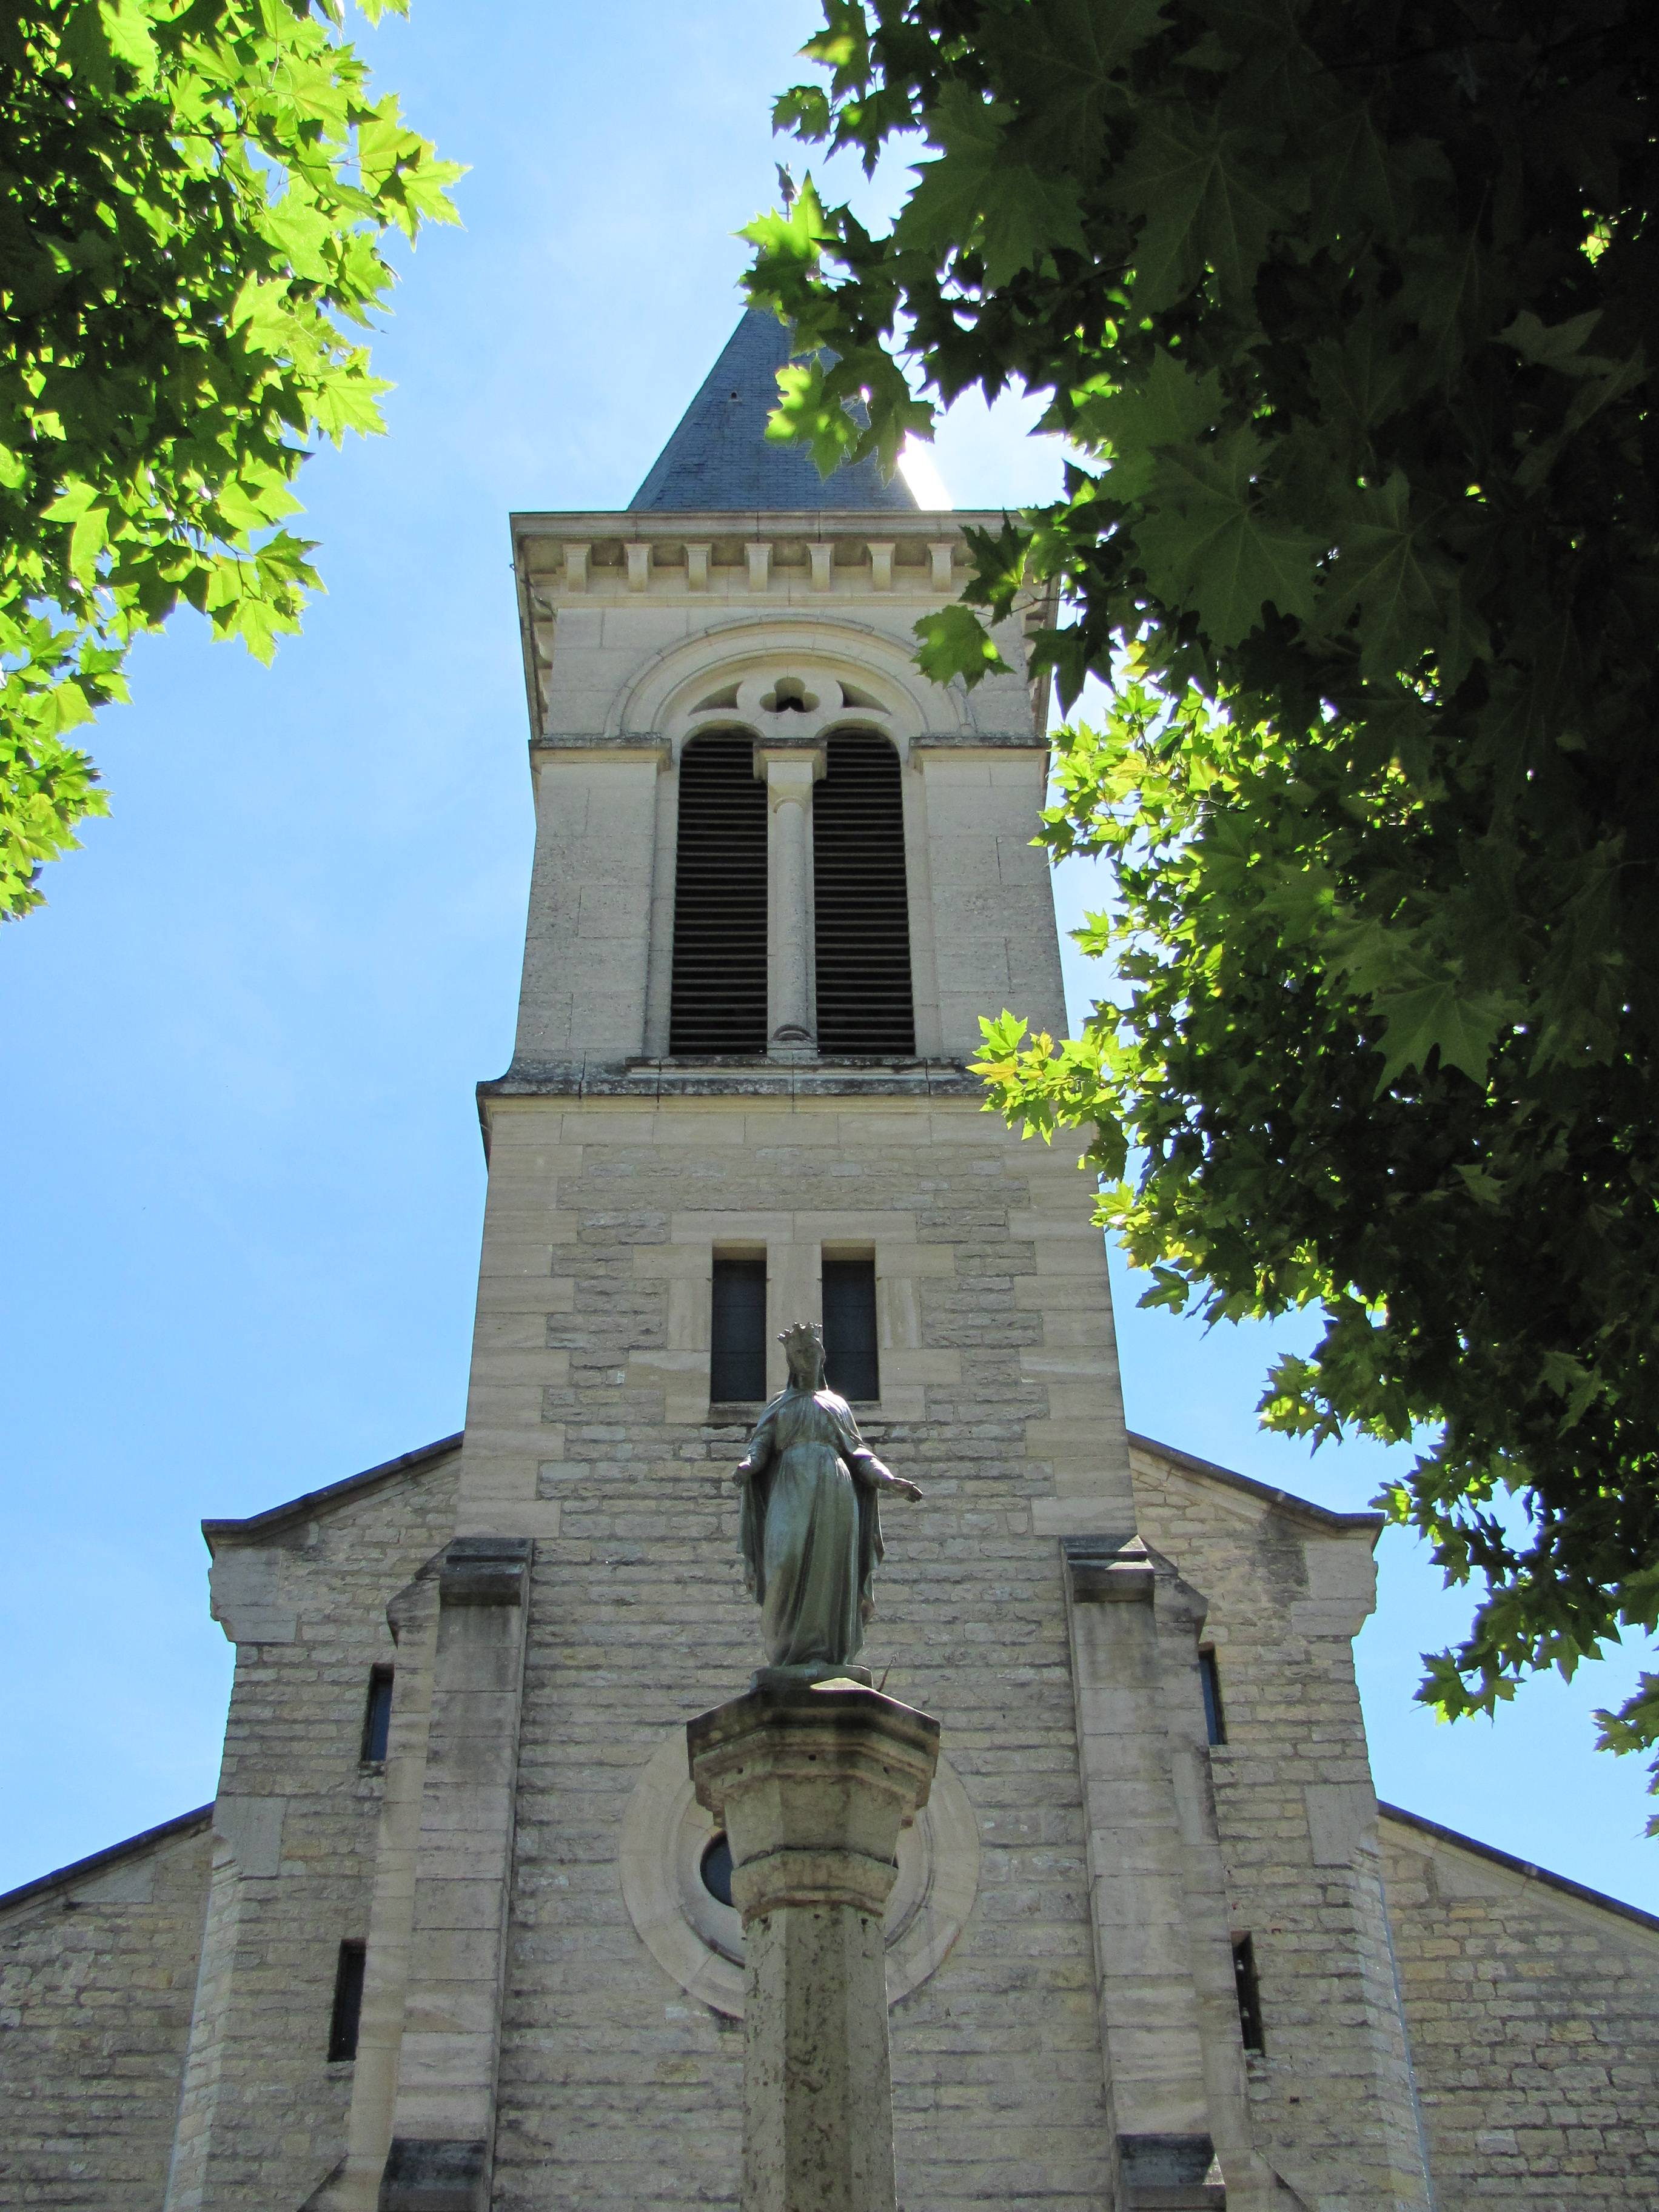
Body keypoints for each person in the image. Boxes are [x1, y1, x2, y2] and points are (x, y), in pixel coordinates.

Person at [733, 1318, 923, 1674]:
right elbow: (761, 1444)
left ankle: (824, 1651)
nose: (806, 1359)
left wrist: (889, 1480)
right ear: (791, 1361)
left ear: (822, 1356)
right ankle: (786, 1649)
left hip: (835, 1489)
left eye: (811, 1352)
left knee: (830, 1566)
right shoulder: (780, 1405)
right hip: (791, 1486)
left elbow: (860, 1454)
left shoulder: (837, 1405)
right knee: (785, 1561)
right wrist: (748, 1464)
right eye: (799, 1353)